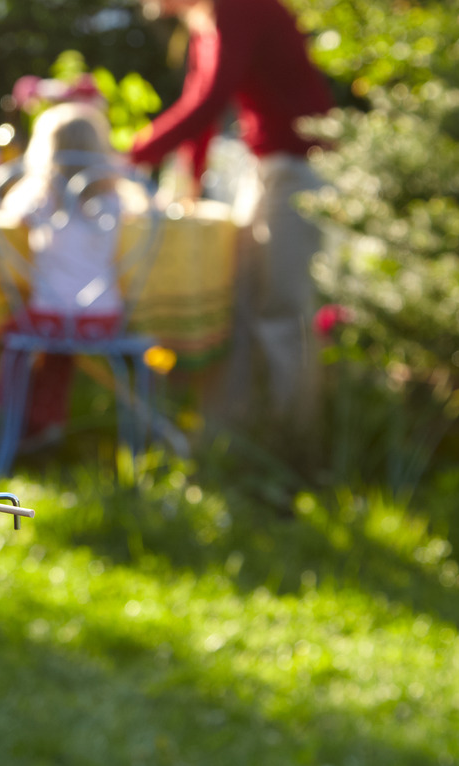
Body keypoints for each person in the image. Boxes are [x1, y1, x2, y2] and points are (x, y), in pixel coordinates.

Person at [128, 0, 335, 448]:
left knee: (282, 307)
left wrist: (132, 154)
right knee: (235, 299)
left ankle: (294, 442)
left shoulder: (237, 8)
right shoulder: (205, 21)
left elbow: (209, 100)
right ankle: (228, 435)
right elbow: (202, 104)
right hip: (262, 167)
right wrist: (189, 183)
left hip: (298, 166)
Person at [0, 101, 128, 446]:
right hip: (103, 317)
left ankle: (12, 416)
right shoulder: (114, 198)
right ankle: (46, 418)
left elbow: (7, 212)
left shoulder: (40, 198)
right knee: (59, 348)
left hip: (49, 315)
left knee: (12, 334)